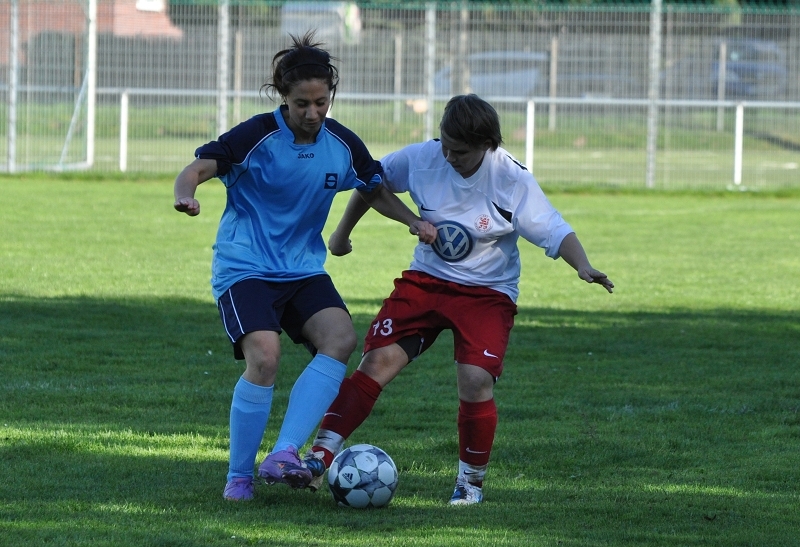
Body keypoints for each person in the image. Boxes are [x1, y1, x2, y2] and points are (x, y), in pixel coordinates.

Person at [303, 94, 614, 505]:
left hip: (487, 293)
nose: (449, 157)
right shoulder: (422, 158)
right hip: (426, 281)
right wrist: (341, 234)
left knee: (475, 379)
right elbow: (371, 183)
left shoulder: (511, 179)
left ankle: (470, 483)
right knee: (376, 362)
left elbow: (554, 230)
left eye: (461, 152)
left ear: (487, 144)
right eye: (445, 146)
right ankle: (318, 458)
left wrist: (583, 265)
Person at [173, 33, 436, 502]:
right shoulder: (256, 136)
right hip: (245, 267)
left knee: (340, 338)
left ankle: (284, 452)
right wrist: (185, 195)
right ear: (283, 97)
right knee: (265, 357)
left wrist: (412, 221)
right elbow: (198, 168)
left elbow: (373, 188)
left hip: (301, 270)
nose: (313, 113)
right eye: (302, 104)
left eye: (321, 103)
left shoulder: (342, 144)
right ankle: (238, 477)